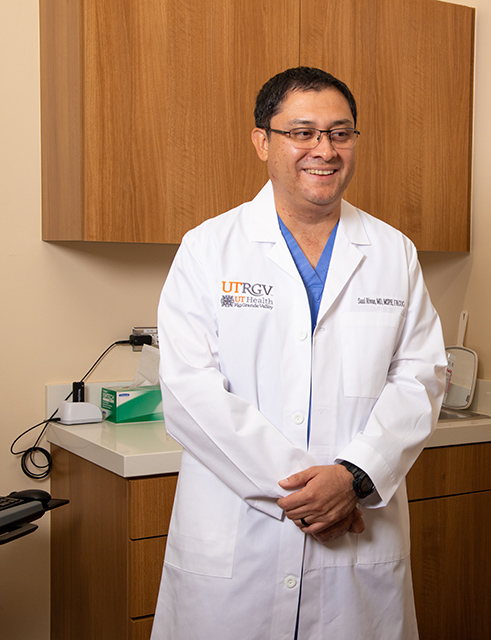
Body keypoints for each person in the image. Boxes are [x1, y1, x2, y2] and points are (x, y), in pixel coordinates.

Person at [153, 67, 446, 639]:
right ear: (262, 141)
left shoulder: (392, 251)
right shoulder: (209, 248)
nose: (324, 150)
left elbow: (422, 378)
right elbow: (189, 393)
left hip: (357, 535)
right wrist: (314, 494)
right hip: (238, 537)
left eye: (340, 133)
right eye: (302, 132)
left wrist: (353, 477)